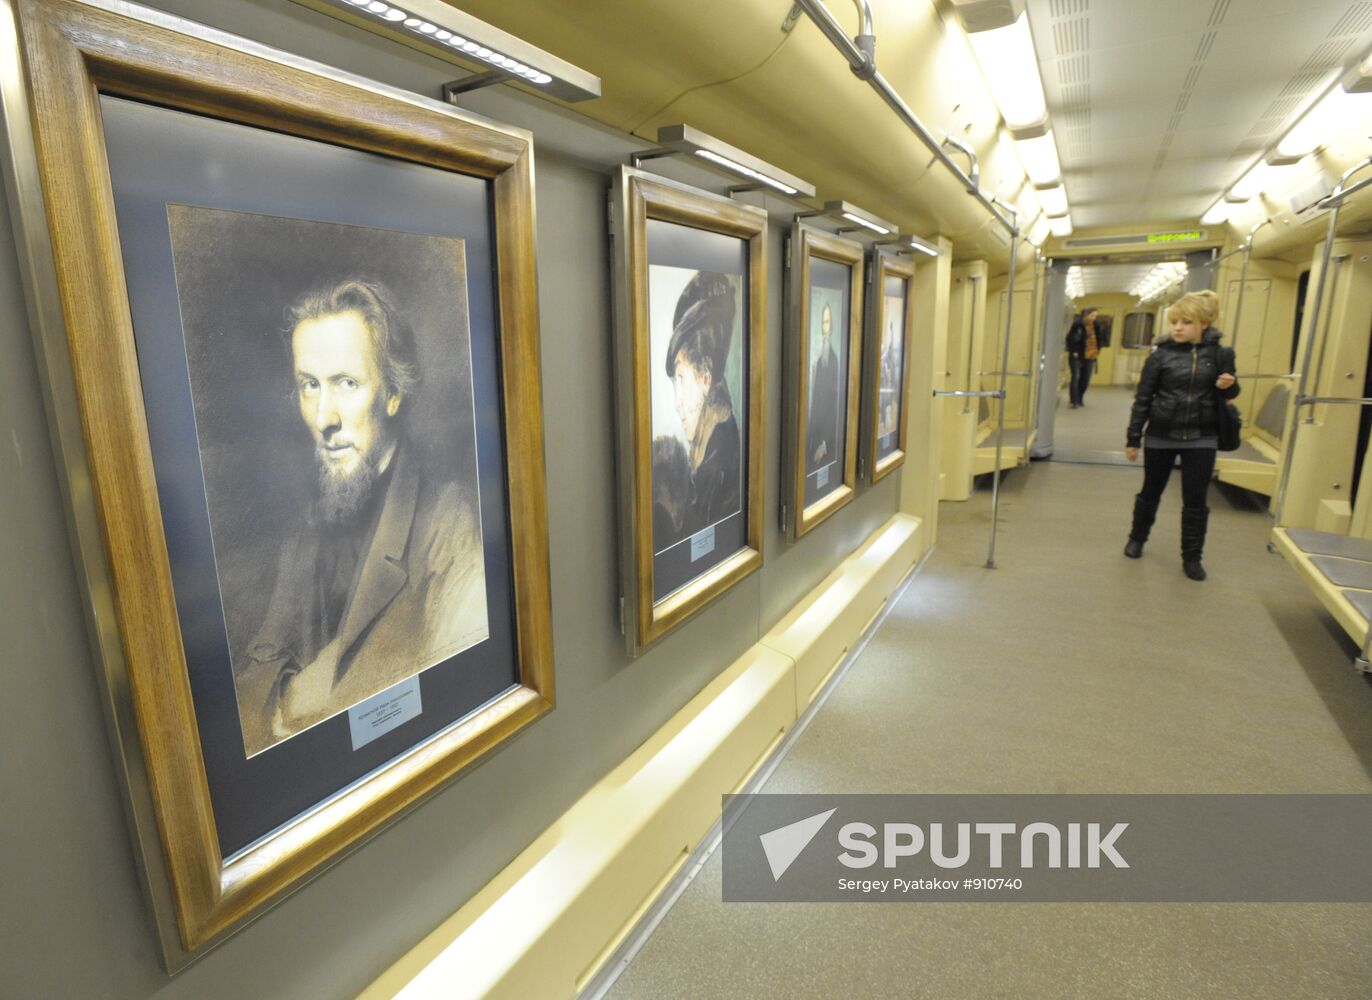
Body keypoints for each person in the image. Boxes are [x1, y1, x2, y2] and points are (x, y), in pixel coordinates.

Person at [235, 279, 488, 755]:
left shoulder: (448, 521)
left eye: (346, 384)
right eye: (310, 386)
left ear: (391, 394)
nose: (324, 417)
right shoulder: (306, 526)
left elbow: (467, 694)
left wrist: (307, 695)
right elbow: (253, 684)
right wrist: (285, 701)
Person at [1123, 290, 1239, 581]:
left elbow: (1231, 393)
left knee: (1196, 499)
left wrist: (1229, 385)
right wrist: (1133, 437)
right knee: (1151, 490)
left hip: (1202, 434)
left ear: (1204, 323)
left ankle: (1192, 557)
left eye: (1186, 322)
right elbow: (1143, 398)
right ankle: (1137, 538)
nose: (1177, 327)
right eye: (1174, 321)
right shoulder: (1160, 356)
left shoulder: (1221, 355)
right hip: (1161, 432)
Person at [659, 271, 742, 540]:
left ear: (705, 376)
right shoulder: (710, 451)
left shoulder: (717, 464)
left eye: (681, 378)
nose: (677, 403)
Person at [807, 301, 841, 477]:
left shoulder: (834, 361)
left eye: (827, 322)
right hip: (815, 431)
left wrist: (824, 443)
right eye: (823, 322)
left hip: (826, 438)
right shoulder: (820, 362)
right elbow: (816, 401)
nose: (824, 326)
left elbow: (833, 404)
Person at [1065, 307, 1101, 408]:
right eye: (1092, 315)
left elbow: (1099, 340)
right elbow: (1069, 339)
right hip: (1077, 355)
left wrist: (1098, 350)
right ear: (1086, 315)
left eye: (1095, 316)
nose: (1094, 318)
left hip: (1091, 355)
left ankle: (1080, 398)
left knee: (1085, 379)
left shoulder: (1096, 326)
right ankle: (1074, 401)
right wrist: (1073, 351)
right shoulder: (1077, 325)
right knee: (1075, 377)